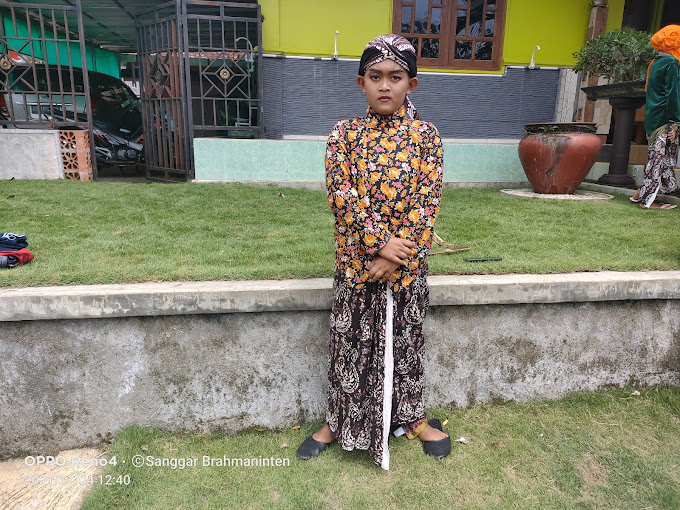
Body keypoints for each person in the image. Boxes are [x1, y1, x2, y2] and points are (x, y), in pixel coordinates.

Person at [296, 34, 449, 470]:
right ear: (361, 82)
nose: (385, 86)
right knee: (348, 344)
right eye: (376, 77)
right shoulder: (344, 135)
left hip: (406, 267)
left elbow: (427, 202)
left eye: (395, 77)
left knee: (407, 343)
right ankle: (338, 421)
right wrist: (377, 244)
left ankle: (413, 420)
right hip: (355, 263)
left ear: (411, 85)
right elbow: (341, 194)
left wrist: (394, 255)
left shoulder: (426, 137)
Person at [630, 24, 680, 210]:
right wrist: (675, 122)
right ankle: (647, 200)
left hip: (654, 116)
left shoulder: (656, 62)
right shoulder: (672, 63)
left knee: (661, 157)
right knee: (658, 159)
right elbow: (672, 94)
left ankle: (640, 193)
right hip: (664, 118)